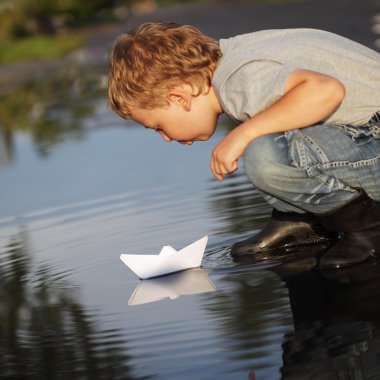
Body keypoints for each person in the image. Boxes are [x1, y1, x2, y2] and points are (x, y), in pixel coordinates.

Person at [108, 21, 380, 270]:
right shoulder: (239, 55)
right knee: (269, 135)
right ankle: (301, 218)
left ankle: (368, 230)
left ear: (180, 97)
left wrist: (243, 134)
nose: (165, 137)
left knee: (263, 153)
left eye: (158, 126)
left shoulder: (238, 80)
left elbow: (325, 91)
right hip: (365, 135)